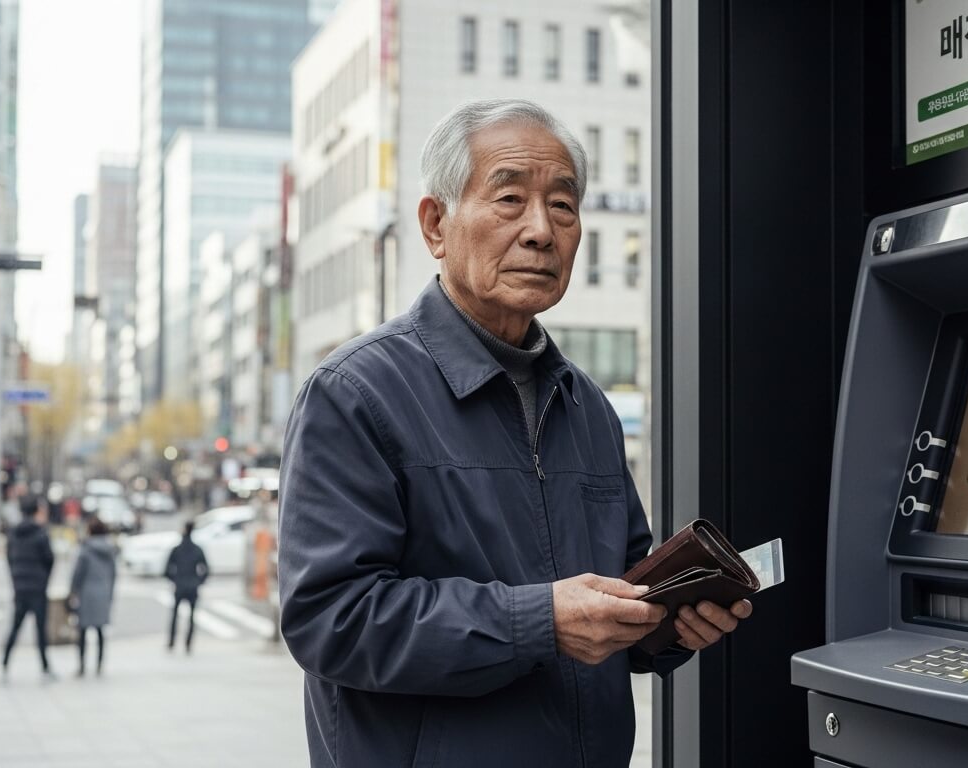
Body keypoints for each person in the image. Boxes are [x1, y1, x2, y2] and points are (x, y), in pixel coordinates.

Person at [277, 99, 754, 768]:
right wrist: (541, 621)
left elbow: (617, 587)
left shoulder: (587, 405)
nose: (541, 230)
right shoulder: (355, 393)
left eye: (562, 206)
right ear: (436, 224)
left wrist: (667, 626)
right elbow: (331, 622)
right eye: (509, 199)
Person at [2, 495, 55, 681]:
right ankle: (45, 667)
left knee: (15, 627)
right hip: (38, 588)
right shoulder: (41, 533)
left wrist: (16, 580)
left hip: (20, 587)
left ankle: (5, 662)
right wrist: (44, 580)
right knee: (41, 630)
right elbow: (49, 560)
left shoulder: (14, 533)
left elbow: (9, 558)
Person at [69, 518, 116, 676]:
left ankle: (82, 665)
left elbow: (78, 574)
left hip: (86, 593)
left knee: (82, 631)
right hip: (103, 592)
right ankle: (99, 664)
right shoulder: (110, 550)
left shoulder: (86, 549)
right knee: (100, 630)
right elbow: (113, 574)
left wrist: (73, 591)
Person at [164, 520, 208, 653]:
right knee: (192, 616)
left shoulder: (177, 549)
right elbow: (205, 569)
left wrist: (175, 580)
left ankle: (172, 641)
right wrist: (199, 581)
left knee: (175, 615)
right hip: (192, 585)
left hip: (180, 585)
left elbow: (167, 570)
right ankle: (188, 643)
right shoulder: (197, 549)